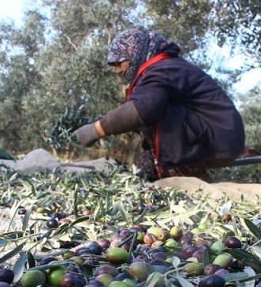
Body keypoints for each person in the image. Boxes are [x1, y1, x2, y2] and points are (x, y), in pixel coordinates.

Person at [72, 28, 245, 181]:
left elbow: (144, 109)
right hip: (216, 136)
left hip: (217, 137)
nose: (118, 70)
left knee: (153, 109)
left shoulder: (163, 69)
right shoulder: (162, 69)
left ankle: (178, 173)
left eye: (119, 63)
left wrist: (95, 129)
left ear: (135, 53)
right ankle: (163, 171)